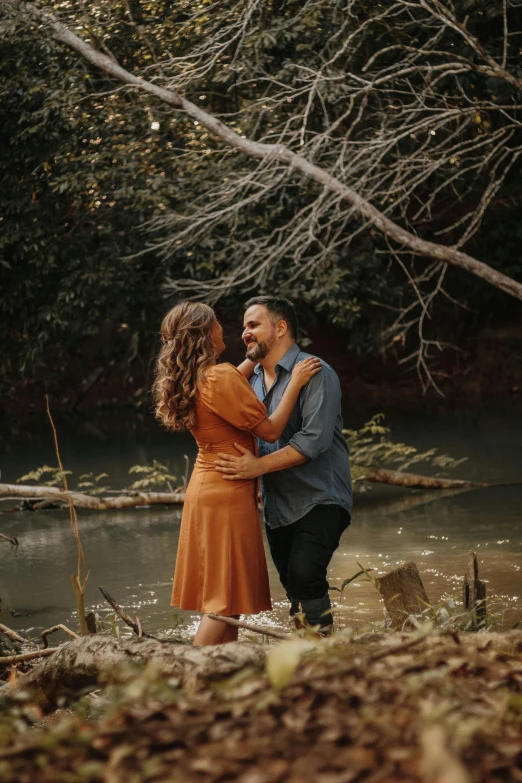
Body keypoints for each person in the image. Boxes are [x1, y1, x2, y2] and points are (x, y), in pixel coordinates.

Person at [153, 301, 321, 646]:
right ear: (205, 334)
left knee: (227, 600)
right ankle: (188, 679)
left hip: (207, 487)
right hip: (227, 492)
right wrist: (296, 381)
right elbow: (271, 430)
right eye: (216, 324)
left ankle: (217, 679)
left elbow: (230, 381)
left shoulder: (199, 377)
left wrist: (257, 355)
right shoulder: (220, 377)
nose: (223, 329)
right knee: (223, 604)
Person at [215, 296, 353, 634]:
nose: (245, 333)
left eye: (253, 325)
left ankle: (323, 655)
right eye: (244, 327)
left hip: (321, 497)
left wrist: (256, 469)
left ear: (280, 328)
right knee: (293, 585)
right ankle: (310, 655)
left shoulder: (315, 371)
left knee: (307, 575)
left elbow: (314, 441)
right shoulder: (250, 381)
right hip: (277, 505)